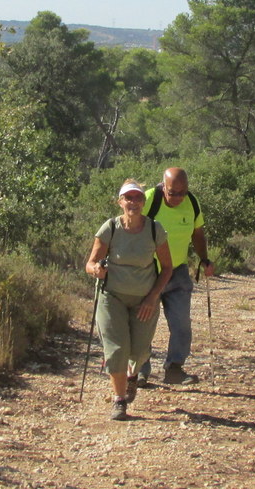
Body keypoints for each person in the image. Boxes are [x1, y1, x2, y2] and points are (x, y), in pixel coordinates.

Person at [86, 179, 173, 421]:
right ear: (120, 202)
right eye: (128, 198)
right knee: (116, 349)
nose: (133, 202)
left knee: (139, 351)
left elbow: (167, 268)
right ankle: (119, 400)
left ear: (143, 202)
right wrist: (97, 270)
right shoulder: (110, 228)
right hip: (111, 296)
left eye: (137, 198)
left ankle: (132, 375)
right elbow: (90, 263)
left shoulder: (155, 229)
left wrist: (152, 299)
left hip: (145, 298)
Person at [137, 167, 213, 386]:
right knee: (144, 322)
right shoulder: (150, 199)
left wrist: (204, 259)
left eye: (183, 192)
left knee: (181, 324)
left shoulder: (192, 202)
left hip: (177, 271)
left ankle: (175, 368)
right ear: (163, 186)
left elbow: (197, 233)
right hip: (148, 271)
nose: (179, 197)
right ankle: (141, 370)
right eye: (173, 193)